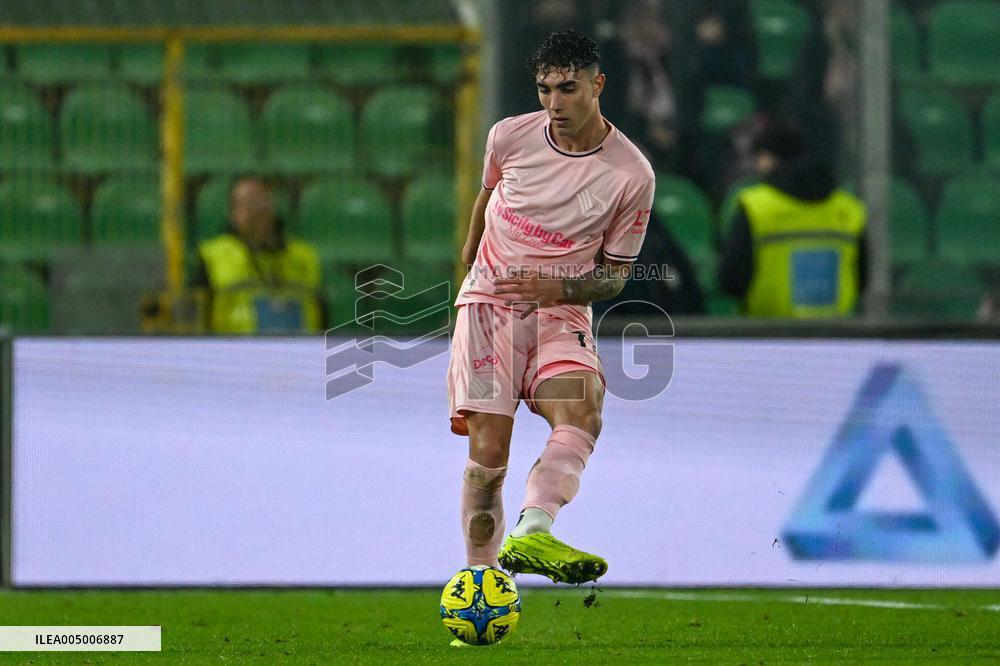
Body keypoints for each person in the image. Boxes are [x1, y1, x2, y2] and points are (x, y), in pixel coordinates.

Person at [447, 31, 655, 587]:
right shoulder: (509, 136)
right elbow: (487, 195)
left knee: (583, 410)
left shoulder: (631, 174)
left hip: (560, 313)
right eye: (544, 90)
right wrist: (471, 257)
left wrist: (556, 290)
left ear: (597, 84)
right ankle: (481, 579)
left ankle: (534, 529)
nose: (555, 104)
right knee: (489, 453)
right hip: (490, 310)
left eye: (568, 89)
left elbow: (614, 276)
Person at [717, 121, 867, 318]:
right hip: (836, 335)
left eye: (760, 157)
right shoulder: (849, 209)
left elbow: (731, 279)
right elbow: (862, 277)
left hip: (766, 335)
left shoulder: (757, 207)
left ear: (771, 159)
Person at [191, 176, 325, 334]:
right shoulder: (212, 255)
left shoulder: (304, 256)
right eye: (248, 202)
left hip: (299, 352)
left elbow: (322, 315)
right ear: (233, 213)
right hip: (235, 354)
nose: (257, 209)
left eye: (262, 200)